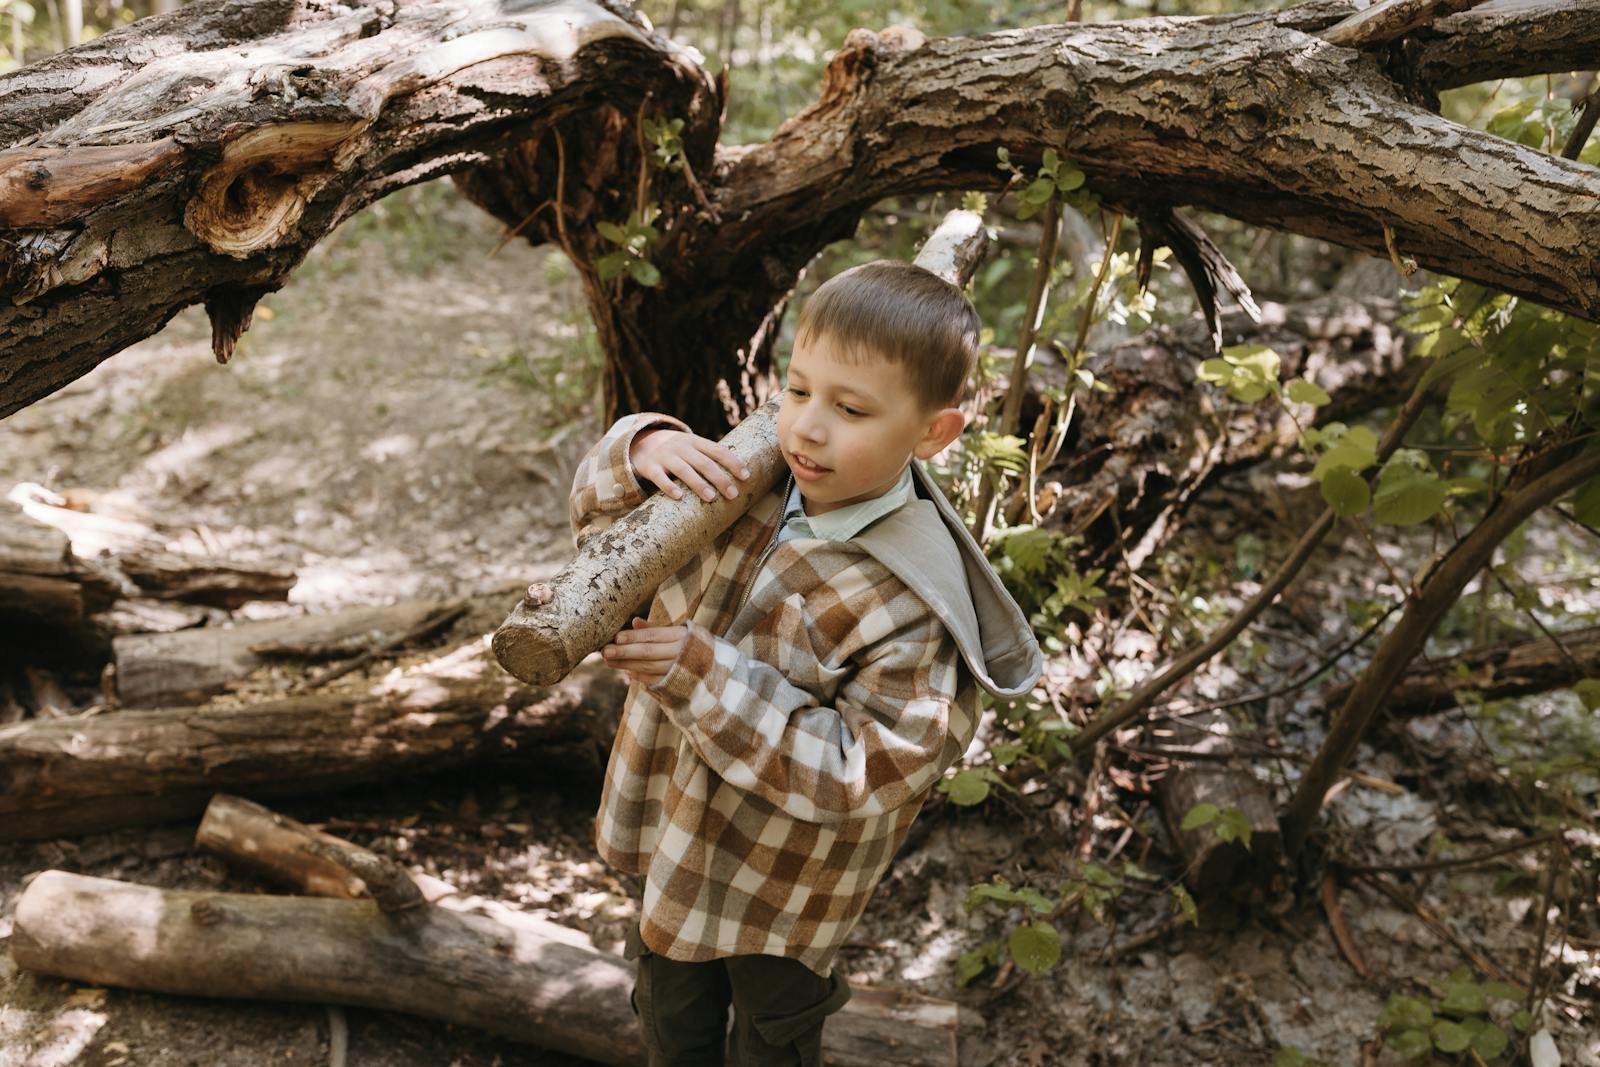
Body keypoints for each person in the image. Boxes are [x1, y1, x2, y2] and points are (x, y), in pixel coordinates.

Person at [567, 259, 1043, 1066]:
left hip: (784, 883)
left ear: (934, 433)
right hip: (675, 834)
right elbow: (603, 555)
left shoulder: (910, 599)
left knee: (772, 1035)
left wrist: (701, 675)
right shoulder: (744, 483)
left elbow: (863, 772)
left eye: (850, 408)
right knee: (669, 1014)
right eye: (796, 390)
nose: (809, 427)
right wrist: (637, 447)